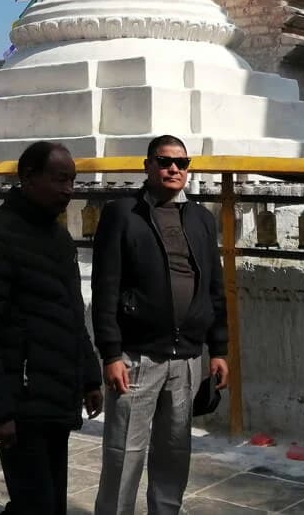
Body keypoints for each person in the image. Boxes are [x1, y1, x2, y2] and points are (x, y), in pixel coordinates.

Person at [0, 141, 103, 515]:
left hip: (56, 394)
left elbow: (70, 313)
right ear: (28, 177)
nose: (68, 189)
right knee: (37, 504)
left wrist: (88, 376)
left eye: (72, 180)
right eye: (59, 179)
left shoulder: (58, 238)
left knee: (48, 502)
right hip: (19, 402)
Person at [91, 134, 229, 515]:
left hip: (186, 359)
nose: (174, 169)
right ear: (147, 166)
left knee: (174, 453)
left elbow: (214, 288)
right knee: (124, 455)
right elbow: (105, 288)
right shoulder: (122, 214)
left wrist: (219, 350)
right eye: (165, 161)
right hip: (136, 358)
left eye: (182, 163)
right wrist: (110, 353)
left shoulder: (200, 218)